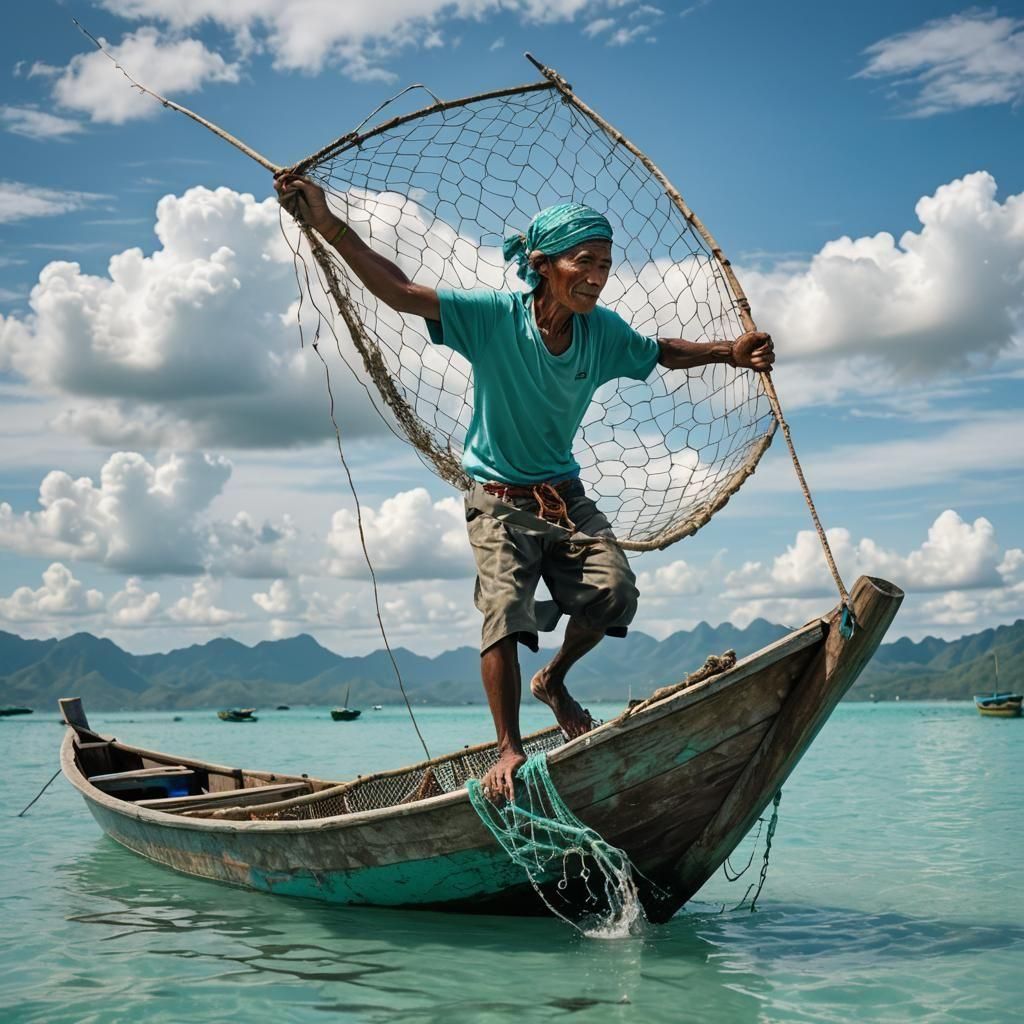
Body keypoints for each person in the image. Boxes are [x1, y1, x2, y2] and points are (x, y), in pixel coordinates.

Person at [274, 176, 774, 802]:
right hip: (498, 500)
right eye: (583, 262)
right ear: (542, 266)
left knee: (615, 593)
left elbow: (661, 351)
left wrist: (731, 352)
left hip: (563, 496)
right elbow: (401, 293)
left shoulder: (601, 331)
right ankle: (508, 747)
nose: (597, 277)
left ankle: (554, 680)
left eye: (605, 265)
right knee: (506, 615)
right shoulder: (494, 319)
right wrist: (327, 224)